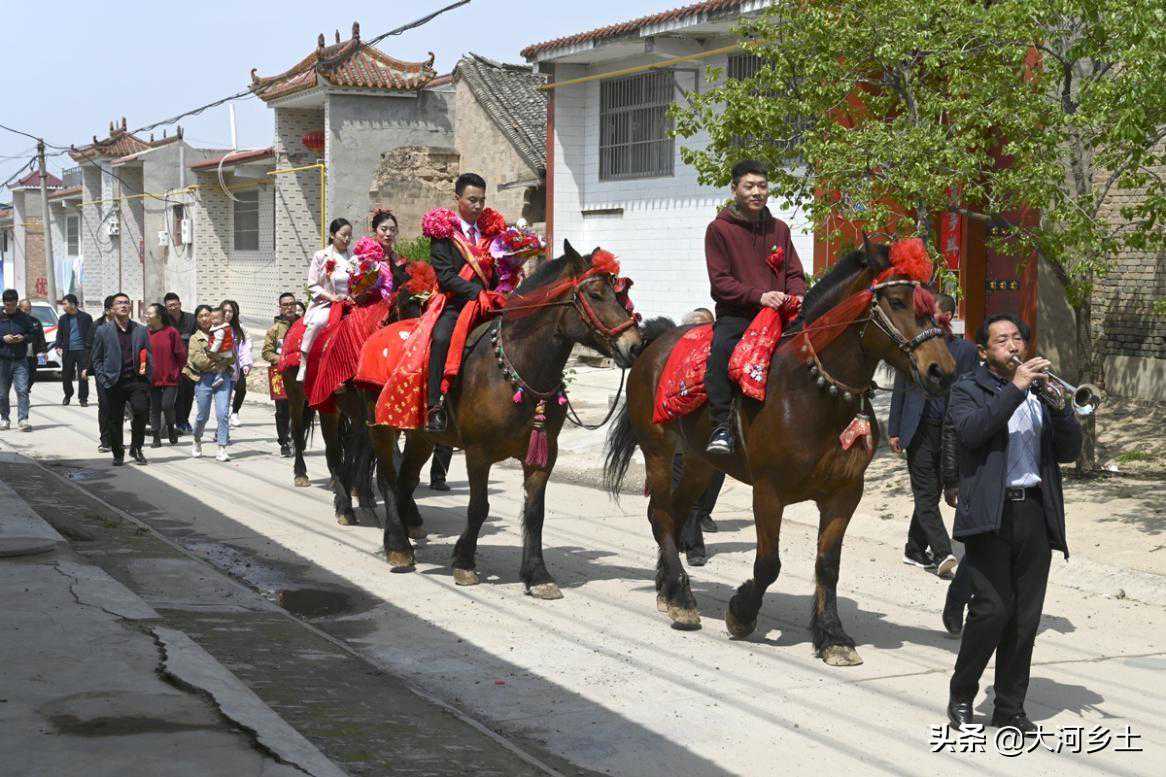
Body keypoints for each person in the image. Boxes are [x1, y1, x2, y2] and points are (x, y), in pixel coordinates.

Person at [945, 314, 1081, 735]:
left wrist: (1059, 410)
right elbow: (972, 432)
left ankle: (1009, 708)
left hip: (1034, 513)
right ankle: (963, 692)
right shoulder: (969, 388)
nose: (1013, 345)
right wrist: (1017, 388)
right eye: (1001, 340)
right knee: (991, 611)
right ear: (985, 352)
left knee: (1025, 618)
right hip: (990, 514)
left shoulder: (1042, 392)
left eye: (1017, 338)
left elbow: (1069, 451)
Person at [704, 160, 806, 454]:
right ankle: (721, 426)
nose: (756, 192)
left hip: (780, 315)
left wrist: (797, 294)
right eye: (749, 186)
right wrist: (759, 296)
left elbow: (794, 273)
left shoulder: (780, 229)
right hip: (739, 316)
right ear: (734, 188)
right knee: (721, 351)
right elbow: (720, 282)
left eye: (762, 186)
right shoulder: (719, 229)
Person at [888, 292, 979, 578]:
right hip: (917, 429)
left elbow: (971, 392)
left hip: (949, 432)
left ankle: (914, 549)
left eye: (932, 314)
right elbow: (900, 390)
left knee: (933, 492)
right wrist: (893, 430)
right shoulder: (913, 346)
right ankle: (942, 553)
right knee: (926, 494)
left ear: (948, 317)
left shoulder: (964, 351)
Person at [426, 172, 498, 433]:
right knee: (442, 337)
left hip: (488, 303)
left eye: (481, 200)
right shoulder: (445, 234)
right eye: (472, 200)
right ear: (458, 199)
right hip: (456, 303)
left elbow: (495, 272)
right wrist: (473, 291)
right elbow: (445, 277)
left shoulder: (489, 234)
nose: (478, 206)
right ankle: (434, 405)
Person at [89, 293, 152, 466]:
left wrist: (147, 377)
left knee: (140, 411)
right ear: (112, 308)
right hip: (113, 381)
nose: (123, 305)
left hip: (136, 381)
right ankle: (118, 453)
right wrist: (102, 378)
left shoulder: (141, 330)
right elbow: (96, 358)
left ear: (130, 307)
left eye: (126, 303)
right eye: (119, 303)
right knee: (115, 418)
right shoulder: (103, 330)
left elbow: (149, 354)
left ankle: (136, 448)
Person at [299, 218, 354, 382]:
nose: (347, 239)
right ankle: (304, 360)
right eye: (343, 235)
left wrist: (355, 295)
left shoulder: (354, 258)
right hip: (327, 303)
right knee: (318, 322)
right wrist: (332, 297)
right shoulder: (321, 256)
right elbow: (313, 285)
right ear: (332, 234)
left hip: (350, 302)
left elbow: (358, 282)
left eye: (349, 236)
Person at [183, 304, 236, 462]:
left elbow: (232, 355)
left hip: (223, 376)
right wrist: (220, 361)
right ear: (197, 320)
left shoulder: (224, 332)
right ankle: (197, 439)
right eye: (201, 316)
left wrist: (222, 361)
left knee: (222, 413)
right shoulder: (195, 338)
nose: (206, 319)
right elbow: (198, 361)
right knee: (202, 415)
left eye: (208, 315)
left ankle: (222, 447)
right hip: (204, 378)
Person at [262, 292, 306, 457]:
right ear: (280, 307)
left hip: (301, 373)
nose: (289, 307)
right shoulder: (274, 329)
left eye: (292, 304)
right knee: (282, 410)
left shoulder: (304, 325)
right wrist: (281, 359)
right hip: (280, 374)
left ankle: (298, 439)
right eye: (285, 305)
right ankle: (284, 441)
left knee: (302, 408)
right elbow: (266, 352)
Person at [145, 303, 185, 447]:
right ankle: (156, 437)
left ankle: (170, 428)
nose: (146, 316)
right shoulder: (145, 333)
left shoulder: (171, 332)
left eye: (149, 313)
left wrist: (179, 372)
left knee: (167, 405)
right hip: (152, 378)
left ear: (159, 316)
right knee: (154, 407)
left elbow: (180, 355)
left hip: (171, 377)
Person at [0, 289, 36, 432]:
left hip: (20, 360)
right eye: (8, 305)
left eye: (13, 305)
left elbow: (33, 334)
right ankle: (4, 418)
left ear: (16, 303)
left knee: (22, 390)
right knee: (2, 393)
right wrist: (3, 339)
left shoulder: (24, 317)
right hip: (3, 361)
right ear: (4, 303)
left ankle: (23, 419)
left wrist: (23, 338)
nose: (10, 308)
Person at [84, 296, 116, 451]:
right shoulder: (96, 326)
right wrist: (87, 368)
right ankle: (105, 440)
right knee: (104, 405)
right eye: (116, 306)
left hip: (121, 372)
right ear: (108, 310)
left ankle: (116, 439)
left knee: (118, 406)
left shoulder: (128, 326)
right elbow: (89, 348)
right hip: (102, 371)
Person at [164, 292, 198, 434]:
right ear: (166, 307)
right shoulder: (164, 321)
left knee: (188, 393)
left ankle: (184, 420)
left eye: (175, 304)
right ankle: (177, 421)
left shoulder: (191, 319)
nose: (173, 307)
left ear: (180, 304)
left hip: (189, 364)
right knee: (175, 395)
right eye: (169, 305)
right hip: (171, 365)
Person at [54, 293, 93, 406]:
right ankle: (68, 394)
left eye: (65, 304)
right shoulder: (63, 319)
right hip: (68, 351)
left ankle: (83, 399)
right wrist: (58, 346)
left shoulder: (86, 317)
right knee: (66, 375)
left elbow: (91, 334)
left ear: (72, 304)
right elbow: (59, 334)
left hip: (82, 351)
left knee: (83, 375)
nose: (63, 306)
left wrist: (90, 349)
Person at [219, 300, 252, 427]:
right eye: (225, 311)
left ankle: (235, 412)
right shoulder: (216, 327)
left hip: (236, 367)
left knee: (241, 388)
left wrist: (246, 364)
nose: (227, 314)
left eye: (230, 311)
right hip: (221, 367)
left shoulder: (239, 329)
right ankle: (223, 420)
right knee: (224, 394)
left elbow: (245, 347)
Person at [17, 299, 46, 388]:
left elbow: (41, 337)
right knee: (21, 375)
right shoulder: (15, 321)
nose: (27, 311)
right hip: (19, 354)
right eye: (25, 309)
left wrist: (43, 351)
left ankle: (26, 389)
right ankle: (23, 392)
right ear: (19, 308)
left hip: (32, 354)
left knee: (32, 375)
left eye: (29, 309)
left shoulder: (35, 322)